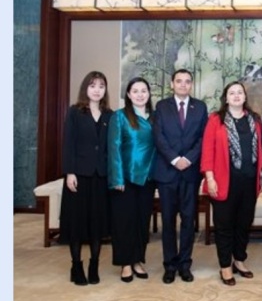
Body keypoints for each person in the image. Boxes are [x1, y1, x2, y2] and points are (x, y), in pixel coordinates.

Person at [201, 81, 262, 286]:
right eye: (232, 93)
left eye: (240, 92)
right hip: (222, 182)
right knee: (224, 226)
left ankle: (239, 260)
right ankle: (225, 266)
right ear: (226, 98)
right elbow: (207, 151)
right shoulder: (215, 120)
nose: (236, 96)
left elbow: (260, 150)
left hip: (249, 182)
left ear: (245, 97)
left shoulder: (254, 120)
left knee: (243, 225)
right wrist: (209, 178)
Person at [153, 69, 208, 284]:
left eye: (187, 82)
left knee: (188, 220)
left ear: (191, 85)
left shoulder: (200, 107)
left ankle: (185, 264)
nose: (183, 85)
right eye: (179, 81)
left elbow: (203, 137)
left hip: (190, 173)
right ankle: (170, 265)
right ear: (172, 84)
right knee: (168, 221)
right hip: (167, 172)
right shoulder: (161, 107)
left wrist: (189, 159)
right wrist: (175, 159)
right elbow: (159, 136)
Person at [59, 71, 112, 286]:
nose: (97, 89)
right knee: (77, 223)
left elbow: (111, 147)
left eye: (101, 86)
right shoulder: (75, 112)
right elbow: (68, 144)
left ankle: (94, 265)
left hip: (101, 176)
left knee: (97, 224)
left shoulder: (110, 114)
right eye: (93, 85)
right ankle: (76, 265)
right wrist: (69, 172)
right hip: (79, 176)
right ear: (85, 89)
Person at [107, 77, 157, 283]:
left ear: (149, 94)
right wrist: (117, 177)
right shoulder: (119, 117)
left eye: (143, 90)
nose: (139, 94)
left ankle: (138, 260)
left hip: (148, 177)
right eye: (135, 91)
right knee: (123, 222)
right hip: (125, 178)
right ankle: (125, 263)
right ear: (128, 94)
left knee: (141, 221)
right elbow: (114, 148)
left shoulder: (155, 117)